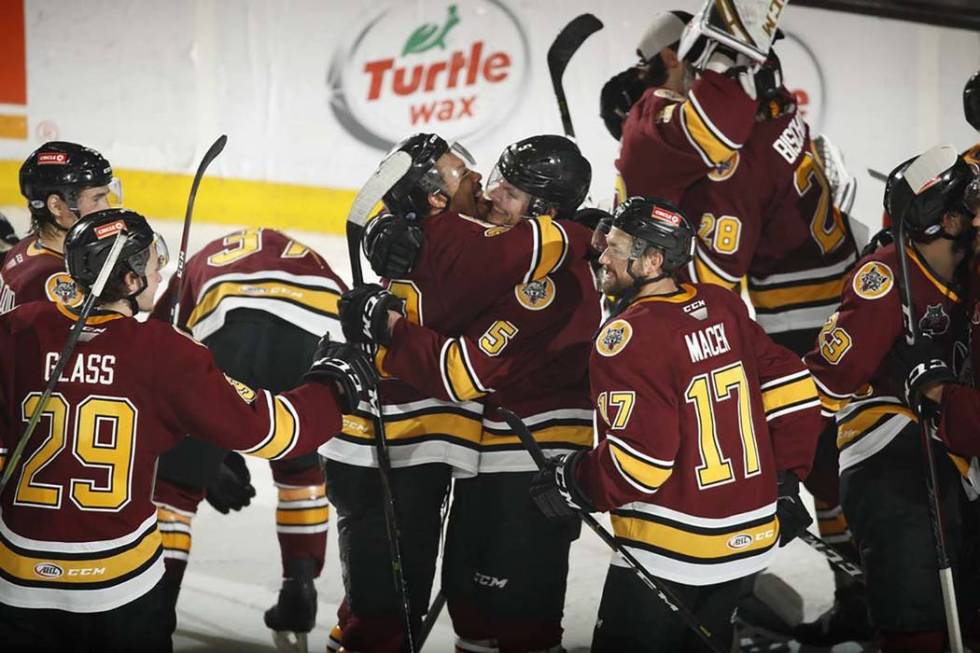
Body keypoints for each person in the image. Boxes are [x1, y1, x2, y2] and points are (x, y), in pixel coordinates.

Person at [0, 209, 376, 652]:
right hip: (119, 587)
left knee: (178, 487)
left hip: (17, 581)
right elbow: (272, 431)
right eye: (152, 264)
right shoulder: (165, 352)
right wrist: (331, 389)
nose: (160, 272)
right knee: (292, 474)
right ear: (128, 281)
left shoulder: (15, 330)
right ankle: (298, 578)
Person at [609, 9, 866, 642]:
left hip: (807, 326)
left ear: (680, 60)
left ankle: (866, 600)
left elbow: (713, 292)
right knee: (837, 468)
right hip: (843, 296)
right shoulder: (769, 102)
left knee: (826, 466)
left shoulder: (724, 156)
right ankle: (865, 596)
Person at [321, 133, 579, 652]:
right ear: (435, 197)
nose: (487, 188)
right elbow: (462, 372)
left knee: (384, 607)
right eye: (472, 176)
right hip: (397, 442)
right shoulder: (472, 240)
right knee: (387, 613)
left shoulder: (428, 231)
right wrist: (588, 229)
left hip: (408, 439)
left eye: (505, 184)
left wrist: (382, 220)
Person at [528, 196, 822, 651]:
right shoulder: (722, 305)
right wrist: (785, 479)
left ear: (652, 260)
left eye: (618, 247)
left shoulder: (627, 338)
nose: (603, 256)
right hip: (749, 542)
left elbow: (641, 465)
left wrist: (575, 479)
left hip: (671, 550)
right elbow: (794, 385)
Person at [804, 146, 978, 652]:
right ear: (945, 220)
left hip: (955, 449)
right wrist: (782, 469)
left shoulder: (967, 271)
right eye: (970, 203)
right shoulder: (885, 282)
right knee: (918, 620)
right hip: (894, 460)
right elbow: (826, 382)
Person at [147, 227, 349, 645]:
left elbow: (162, 344)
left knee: (176, 488)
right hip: (311, 335)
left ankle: (158, 606)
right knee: (301, 473)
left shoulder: (204, 260)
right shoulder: (309, 258)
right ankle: (300, 584)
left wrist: (204, 451)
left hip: (227, 328)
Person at [0, 142, 119, 313]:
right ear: (56, 206)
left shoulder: (27, 246)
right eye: (96, 198)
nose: (106, 208)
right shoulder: (59, 281)